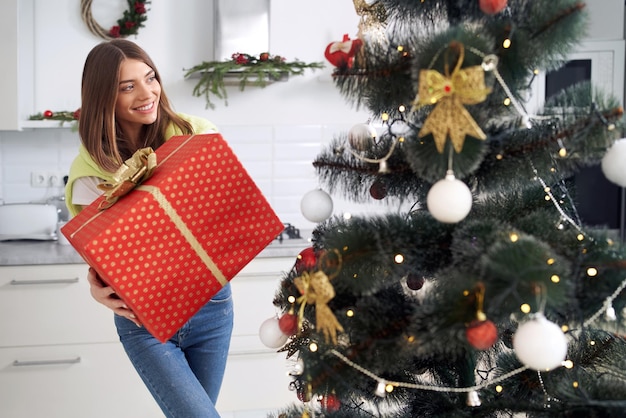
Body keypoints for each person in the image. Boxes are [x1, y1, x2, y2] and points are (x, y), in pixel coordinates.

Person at [65, 39, 234, 418]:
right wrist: (98, 285)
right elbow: (110, 260)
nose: (147, 93)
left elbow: (222, 219)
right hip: (146, 320)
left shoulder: (196, 133)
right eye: (127, 86)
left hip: (212, 307)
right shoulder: (90, 174)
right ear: (103, 97)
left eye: (150, 78)